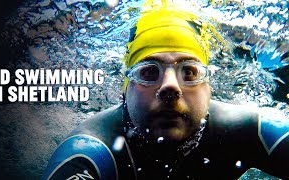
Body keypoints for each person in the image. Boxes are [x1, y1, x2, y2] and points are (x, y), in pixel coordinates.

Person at [43, 1, 289, 179]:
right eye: (149, 72)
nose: (170, 86)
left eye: (190, 72)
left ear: (208, 87)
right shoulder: (94, 147)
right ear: (125, 89)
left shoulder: (247, 129)